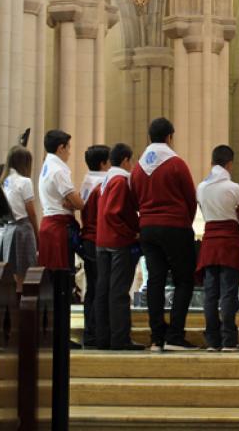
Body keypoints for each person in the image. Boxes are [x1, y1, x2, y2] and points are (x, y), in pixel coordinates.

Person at [130, 117, 198, 352]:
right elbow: (190, 198)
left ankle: (157, 337)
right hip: (175, 226)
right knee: (184, 280)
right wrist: (185, 223)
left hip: (147, 228)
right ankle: (175, 335)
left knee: (155, 281)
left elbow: (134, 197)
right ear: (170, 137)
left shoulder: (138, 168)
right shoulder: (176, 164)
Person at [196, 145, 239, 352]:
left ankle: (212, 340)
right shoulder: (233, 188)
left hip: (210, 241)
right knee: (228, 292)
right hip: (229, 242)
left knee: (210, 293)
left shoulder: (201, 187)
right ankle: (229, 340)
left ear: (212, 163)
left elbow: (203, 210)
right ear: (229, 164)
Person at [96, 143, 143, 351]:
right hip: (117, 242)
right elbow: (112, 213)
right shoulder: (120, 180)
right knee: (119, 292)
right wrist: (131, 233)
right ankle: (120, 338)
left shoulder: (106, 179)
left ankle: (103, 337)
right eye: (130, 160)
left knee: (104, 290)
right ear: (125, 160)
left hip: (103, 241)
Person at [0, 146, 39, 294]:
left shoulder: (5, 180)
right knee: (25, 273)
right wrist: (37, 233)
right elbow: (31, 212)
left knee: (11, 271)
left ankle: (12, 306)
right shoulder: (24, 181)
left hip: (8, 229)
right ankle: (23, 308)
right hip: (22, 229)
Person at [38, 130, 85, 271]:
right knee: (61, 277)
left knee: (49, 277)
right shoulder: (58, 170)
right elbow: (79, 203)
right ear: (61, 148)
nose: (69, 152)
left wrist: (69, 202)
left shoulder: (47, 166)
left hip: (48, 225)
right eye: (68, 147)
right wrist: (72, 203)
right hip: (59, 228)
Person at [79, 144, 111, 348]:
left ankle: (91, 333)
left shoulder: (86, 181)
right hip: (97, 239)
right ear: (103, 163)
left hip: (88, 239)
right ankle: (96, 334)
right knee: (101, 289)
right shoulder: (101, 184)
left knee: (92, 289)